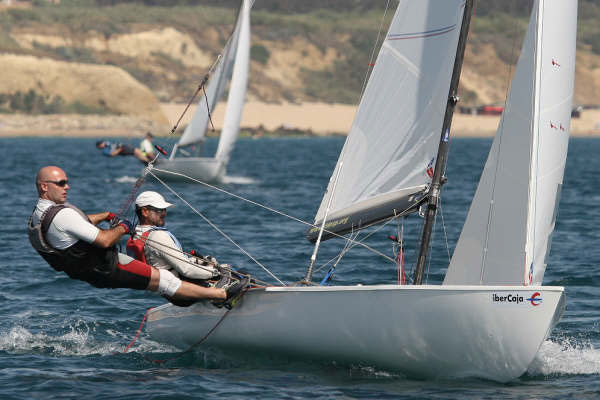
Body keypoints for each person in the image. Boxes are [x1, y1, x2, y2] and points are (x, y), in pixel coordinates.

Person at [28, 166, 247, 307]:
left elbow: (75, 225)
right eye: (61, 183)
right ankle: (222, 296)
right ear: (45, 187)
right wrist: (122, 227)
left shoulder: (40, 216)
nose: (67, 187)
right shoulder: (63, 214)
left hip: (90, 273)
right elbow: (105, 240)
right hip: (107, 267)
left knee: (159, 281)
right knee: (165, 280)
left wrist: (103, 216)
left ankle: (204, 293)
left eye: (67, 181)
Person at [126, 191, 221, 283]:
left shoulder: (137, 234)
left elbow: (164, 263)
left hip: (167, 290)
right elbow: (186, 269)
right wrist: (215, 272)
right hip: (183, 289)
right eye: (159, 210)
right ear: (145, 212)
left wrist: (198, 261)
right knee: (226, 270)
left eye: (164, 210)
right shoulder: (157, 236)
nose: (164, 214)